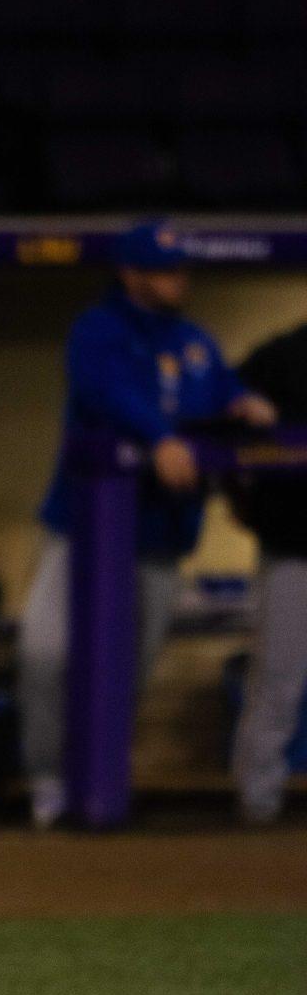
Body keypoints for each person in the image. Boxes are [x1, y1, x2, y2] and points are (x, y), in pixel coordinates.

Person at [18, 223, 277, 829]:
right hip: (81, 532)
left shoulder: (193, 342)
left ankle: (101, 787)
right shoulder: (98, 330)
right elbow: (107, 393)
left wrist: (242, 400)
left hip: (159, 537)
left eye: (181, 268)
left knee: (125, 673)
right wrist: (160, 437)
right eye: (164, 270)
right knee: (45, 653)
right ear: (132, 274)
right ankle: (48, 778)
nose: (177, 279)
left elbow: (220, 388)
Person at [228, 323, 307, 824]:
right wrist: (249, 506)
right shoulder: (281, 357)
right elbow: (226, 424)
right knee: (279, 675)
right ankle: (258, 800)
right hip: (293, 543)